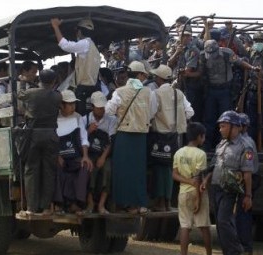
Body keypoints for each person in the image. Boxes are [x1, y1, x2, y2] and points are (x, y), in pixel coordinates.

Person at [204, 110, 254, 255]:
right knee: (219, 223)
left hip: (230, 189)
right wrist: (205, 180)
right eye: (220, 127)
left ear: (235, 127)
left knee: (224, 221)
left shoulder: (245, 147)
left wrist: (248, 195)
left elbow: (247, 173)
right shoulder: (221, 144)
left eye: (223, 126)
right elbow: (214, 165)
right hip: (216, 187)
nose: (220, 129)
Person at [105, 65, 157, 214]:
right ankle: (139, 203)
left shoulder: (119, 91)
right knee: (138, 170)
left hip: (123, 134)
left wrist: (121, 116)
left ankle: (123, 203)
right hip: (141, 135)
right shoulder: (149, 92)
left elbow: (109, 110)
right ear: (140, 75)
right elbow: (152, 111)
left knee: (122, 170)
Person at [17, 69, 62, 217]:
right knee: (48, 171)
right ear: (54, 81)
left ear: (39, 79)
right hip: (50, 135)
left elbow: (18, 94)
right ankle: (46, 207)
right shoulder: (57, 96)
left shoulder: (31, 93)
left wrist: (23, 82)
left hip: (34, 135)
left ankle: (31, 207)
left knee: (31, 171)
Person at [149, 64, 194, 211]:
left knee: (158, 168)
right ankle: (167, 202)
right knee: (169, 168)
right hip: (174, 137)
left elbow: (150, 113)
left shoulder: (156, 93)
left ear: (159, 78)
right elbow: (190, 112)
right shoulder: (179, 93)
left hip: (158, 136)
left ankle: (159, 202)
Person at [199, 39, 257, 151]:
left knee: (225, 119)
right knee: (209, 118)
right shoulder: (202, 56)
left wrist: (253, 68)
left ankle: (224, 145)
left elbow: (239, 62)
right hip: (211, 90)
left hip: (225, 90)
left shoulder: (227, 53)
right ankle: (207, 146)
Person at [172, 122, 212, 255]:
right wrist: (198, 199)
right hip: (197, 192)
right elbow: (199, 178)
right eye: (203, 136)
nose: (204, 139)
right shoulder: (200, 154)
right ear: (199, 137)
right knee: (204, 226)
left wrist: (186, 181)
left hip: (183, 193)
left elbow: (174, 174)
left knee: (184, 226)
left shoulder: (178, 152)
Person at [51, 17, 101, 116]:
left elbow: (64, 45)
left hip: (83, 89)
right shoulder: (93, 47)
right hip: (92, 87)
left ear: (80, 31)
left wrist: (55, 27)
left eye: (77, 31)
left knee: (81, 116)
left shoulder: (85, 43)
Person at [55, 89, 94, 214]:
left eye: (74, 104)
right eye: (70, 104)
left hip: (75, 155)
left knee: (85, 167)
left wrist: (85, 156)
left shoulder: (78, 117)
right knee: (57, 169)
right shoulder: (54, 118)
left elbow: (84, 137)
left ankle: (77, 203)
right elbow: (52, 140)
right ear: (61, 105)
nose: (73, 107)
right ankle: (60, 204)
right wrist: (58, 156)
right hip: (61, 156)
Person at [83, 91, 117, 214]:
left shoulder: (111, 120)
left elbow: (111, 141)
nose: (101, 110)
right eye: (98, 108)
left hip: (104, 153)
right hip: (90, 153)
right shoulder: (85, 119)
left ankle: (102, 205)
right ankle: (90, 203)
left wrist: (103, 157)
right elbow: (81, 140)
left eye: (103, 107)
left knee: (107, 170)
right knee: (88, 169)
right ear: (92, 107)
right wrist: (88, 131)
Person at [236, 112, 259, 255]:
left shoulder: (246, 143)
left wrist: (248, 194)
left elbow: (248, 171)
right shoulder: (244, 140)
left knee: (243, 214)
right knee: (241, 215)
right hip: (245, 180)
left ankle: (245, 245)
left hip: (246, 180)